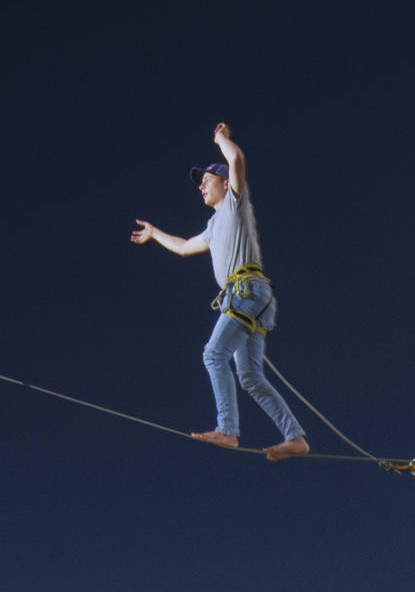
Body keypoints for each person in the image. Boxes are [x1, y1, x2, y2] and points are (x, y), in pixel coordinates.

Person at [130, 124, 308, 460]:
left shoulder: (235, 206)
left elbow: (237, 158)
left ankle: (227, 429)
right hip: (249, 299)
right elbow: (183, 247)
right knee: (250, 377)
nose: (200, 186)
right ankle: (295, 437)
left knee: (213, 354)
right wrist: (154, 233)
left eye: (206, 180)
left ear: (225, 183)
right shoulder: (214, 227)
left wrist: (219, 140)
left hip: (247, 293)